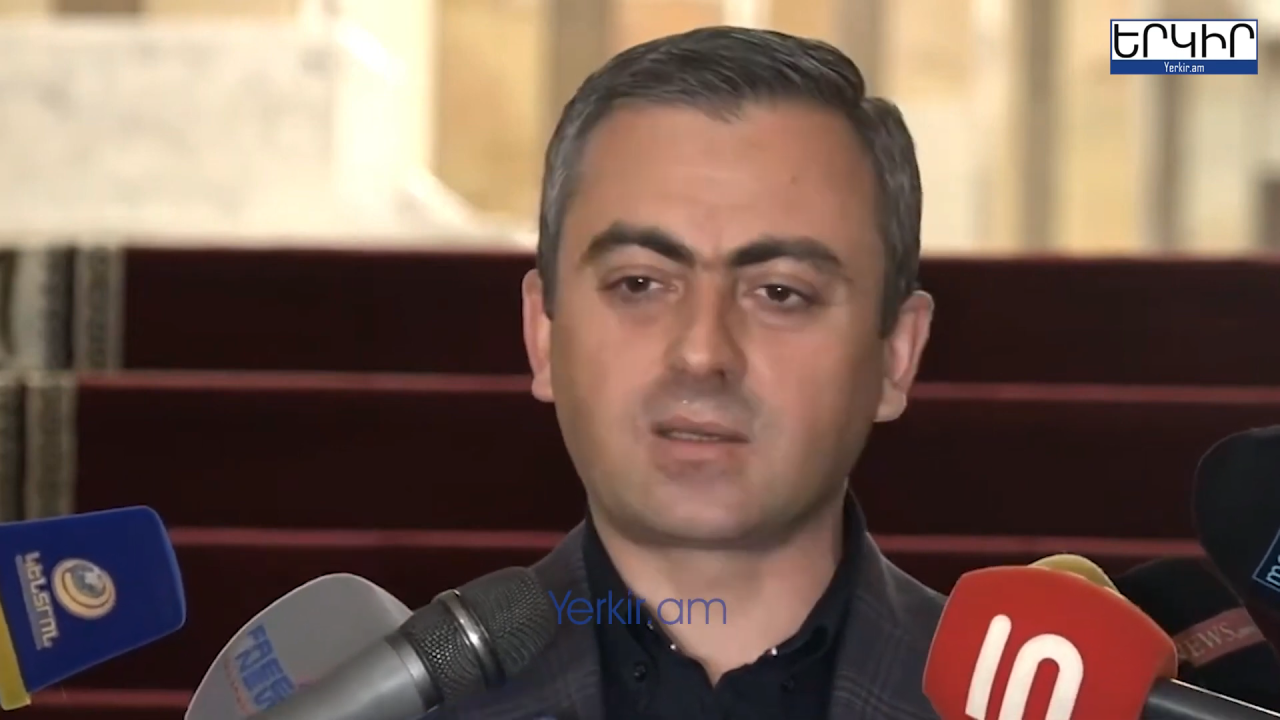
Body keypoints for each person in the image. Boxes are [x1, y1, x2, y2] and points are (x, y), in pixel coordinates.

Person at [446, 25, 941, 720]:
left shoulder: (1035, 705)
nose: (703, 354)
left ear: (897, 355)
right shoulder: (394, 707)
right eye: (640, 284)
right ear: (543, 333)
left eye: (780, 293)